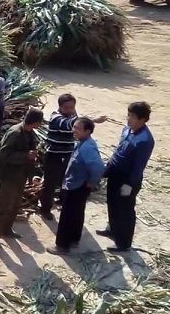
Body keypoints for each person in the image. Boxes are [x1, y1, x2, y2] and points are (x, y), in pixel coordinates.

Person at [96, 102, 154, 253]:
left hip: (127, 178)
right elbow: (119, 148)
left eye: (133, 117)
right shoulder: (127, 130)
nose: (129, 119)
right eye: (128, 115)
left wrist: (130, 184)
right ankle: (113, 230)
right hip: (115, 172)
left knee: (125, 210)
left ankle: (124, 243)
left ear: (142, 119)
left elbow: (139, 165)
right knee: (112, 203)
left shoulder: (145, 140)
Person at [40, 94, 107, 220]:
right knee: (49, 183)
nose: (70, 110)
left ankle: (62, 201)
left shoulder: (73, 114)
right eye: (67, 107)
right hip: (54, 154)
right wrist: (92, 120)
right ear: (60, 107)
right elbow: (70, 124)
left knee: (66, 179)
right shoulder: (56, 117)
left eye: (72, 107)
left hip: (68, 153)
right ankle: (45, 209)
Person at [0, 107, 44, 250]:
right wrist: (26, 156)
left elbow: (31, 155)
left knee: (15, 204)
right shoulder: (15, 133)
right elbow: (5, 154)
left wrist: (33, 174)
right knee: (2, 204)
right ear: (36, 122)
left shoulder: (30, 133)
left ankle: (7, 229)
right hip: (8, 175)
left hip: (20, 174)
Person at [46, 117, 105, 255]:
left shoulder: (87, 148)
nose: (73, 130)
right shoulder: (82, 143)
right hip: (77, 184)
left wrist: (93, 181)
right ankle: (73, 239)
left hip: (77, 186)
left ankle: (62, 246)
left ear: (88, 131)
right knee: (76, 214)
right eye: (74, 127)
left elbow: (97, 167)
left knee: (67, 216)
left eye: (78, 128)